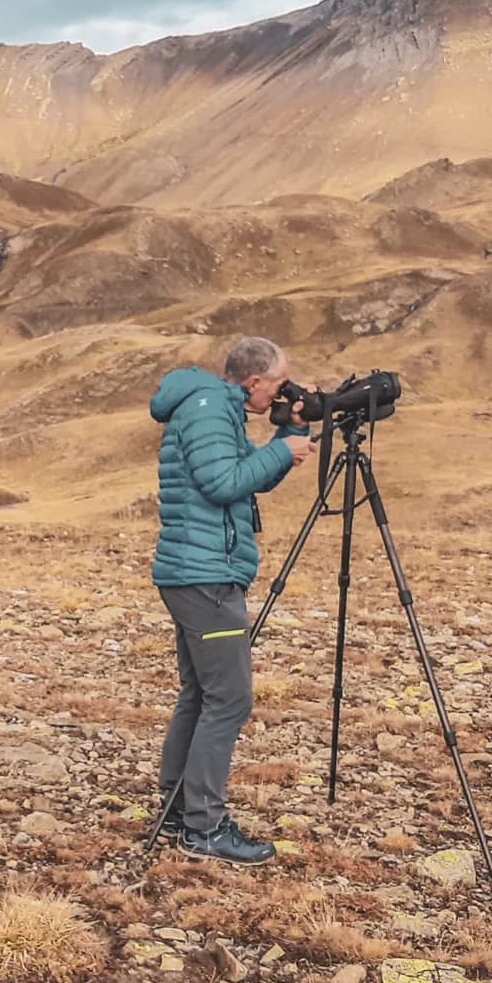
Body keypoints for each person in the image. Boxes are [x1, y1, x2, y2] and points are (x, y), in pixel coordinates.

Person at [147, 335, 315, 863]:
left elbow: (248, 481)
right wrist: (282, 448)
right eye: (278, 383)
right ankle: (205, 827)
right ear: (255, 382)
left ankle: (180, 808)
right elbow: (224, 483)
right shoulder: (207, 411)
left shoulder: (214, 407)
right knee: (230, 699)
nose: (279, 392)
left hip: (197, 572)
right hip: (205, 577)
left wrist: (290, 430)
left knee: (200, 694)